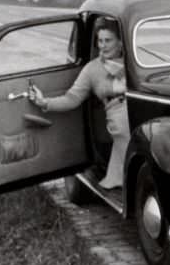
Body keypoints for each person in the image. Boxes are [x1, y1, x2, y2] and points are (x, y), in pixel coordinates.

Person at [28, 18, 129, 189]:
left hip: (141, 108)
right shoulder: (92, 69)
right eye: (100, 40)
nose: (103, 46)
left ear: (120, 43)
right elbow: (72, 98)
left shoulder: (133, 61)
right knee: (125, 131)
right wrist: (44, 102)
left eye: (108, 40)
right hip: (118, 114)